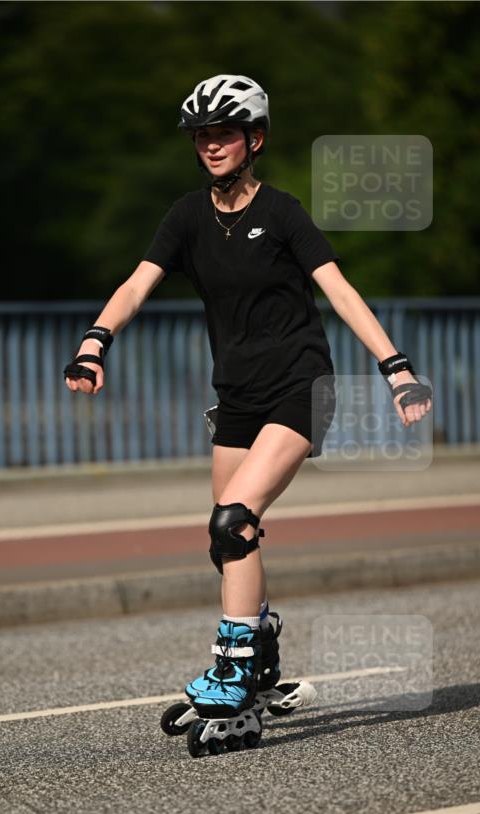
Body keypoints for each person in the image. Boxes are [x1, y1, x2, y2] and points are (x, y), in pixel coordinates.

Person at [64, 74, 432, 757]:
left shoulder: (284, 212)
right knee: (230, 538)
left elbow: (340, 291)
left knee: (232, 521)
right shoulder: (185, 216)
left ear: (253, 139)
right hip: (235, 395)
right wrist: (94, 342)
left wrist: (396, 369)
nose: (211, 145)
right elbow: (135, 284)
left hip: (301, 386)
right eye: (202, 135)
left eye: (224, 133)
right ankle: (259, 657)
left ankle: (233, 674)